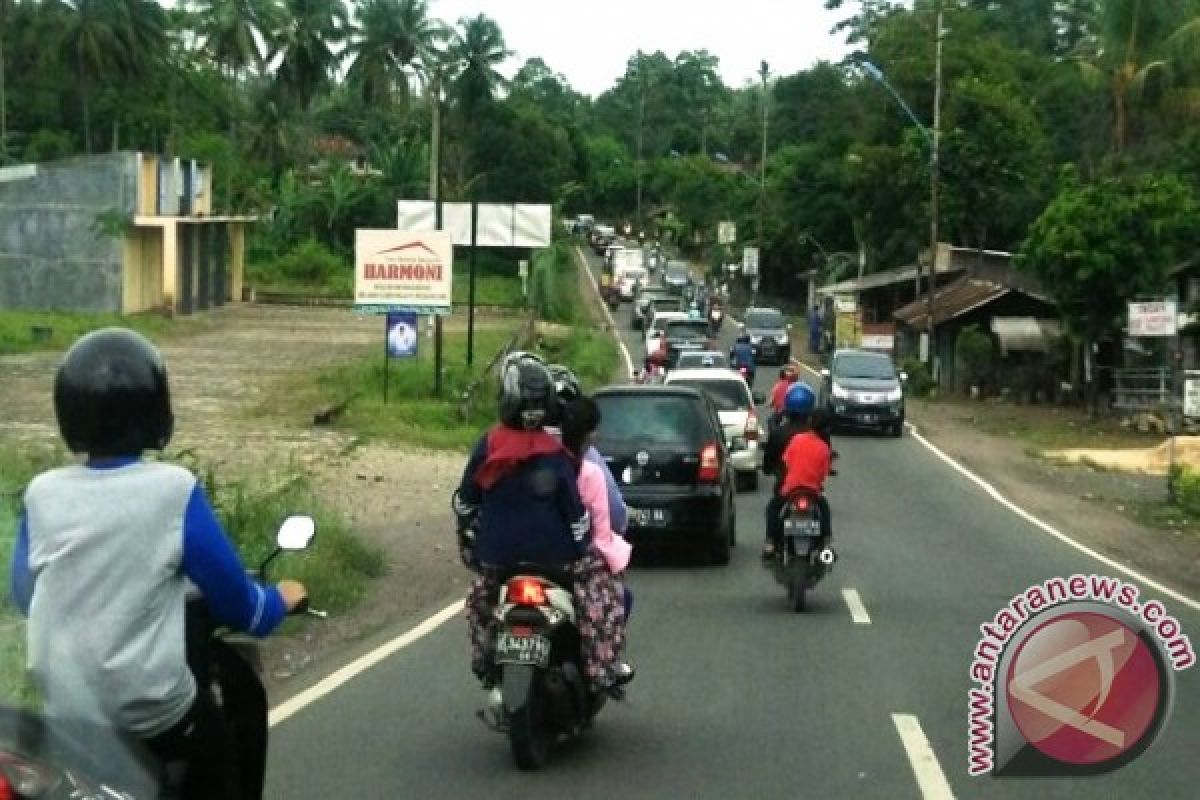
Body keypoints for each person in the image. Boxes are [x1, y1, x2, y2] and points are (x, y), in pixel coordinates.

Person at [8, 328, 308, 799]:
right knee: (220, 756)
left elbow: (27, 595)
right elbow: (238, 606)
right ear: (155, 410)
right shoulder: (174, 489)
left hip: (67, 715)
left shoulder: (42, 493)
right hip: (153, 715)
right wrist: (279, 601)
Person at [454, 354, 629, 720]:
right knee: (604, 602)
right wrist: (583, 550)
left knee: (478, 606)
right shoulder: (556, 454)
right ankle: (601, 669)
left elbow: (466, 502)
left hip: (499, 560)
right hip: (556, 559)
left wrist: (473, 537)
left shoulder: (488, 445)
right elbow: (576, 515)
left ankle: (486, 665)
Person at [560, 395, 635, 679]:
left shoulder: (525, 457)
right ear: (589, 433)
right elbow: (607, 526)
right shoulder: (589, 470)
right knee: (616, 598)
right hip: (575, 559)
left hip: (518, 556)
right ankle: (603, 666)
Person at [760, 382, 832, 559]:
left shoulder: (781, 434)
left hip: (788, 487)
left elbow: (782, 462)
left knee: (772, 508)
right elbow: (824, 470)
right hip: (812, 489)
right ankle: (826, 542)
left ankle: (770, 541)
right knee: (824, 508)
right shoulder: (822, 441)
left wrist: (771, 470)